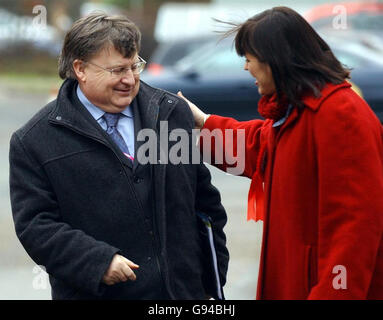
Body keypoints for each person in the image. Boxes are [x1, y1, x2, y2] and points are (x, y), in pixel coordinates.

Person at [9, 13, 229, 300]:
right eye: (116, 70)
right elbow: (36, 226)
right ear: (81, 69)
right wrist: (97, 262)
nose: (130, 79)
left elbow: (206, 206)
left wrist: (211, 282)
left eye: (134, 66)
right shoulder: (35, 141)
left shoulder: (171, 114)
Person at [178, 6, 383, 299]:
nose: (246, 68)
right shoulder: (303, 110)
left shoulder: (340, 114)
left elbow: (353, 231)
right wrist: (202, 121)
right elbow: (258, 145)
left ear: (276, 61)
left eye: (249, 59)